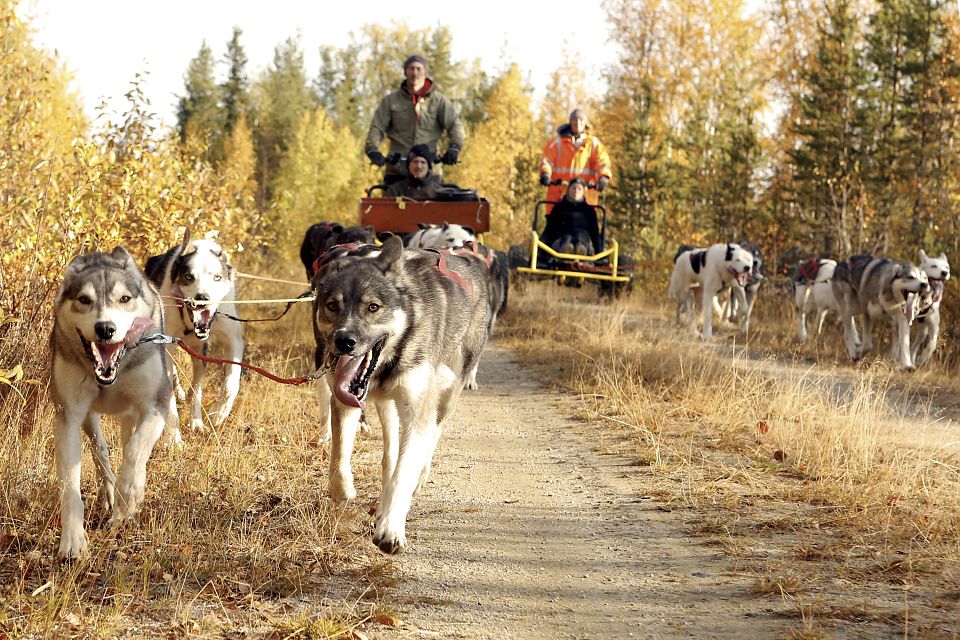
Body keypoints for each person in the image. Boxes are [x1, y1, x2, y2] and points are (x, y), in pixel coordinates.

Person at [365, 54, 466, 184]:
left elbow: (455, 125)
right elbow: (377, 127)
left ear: (426, 73)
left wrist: (454, 148)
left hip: (429, 170)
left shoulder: (439, 101)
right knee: (391, 204)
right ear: (405, 72)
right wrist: (372, 149)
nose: (415, 73)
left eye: (419, 69)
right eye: (411, 69)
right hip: (397, 170)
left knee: (432, 203)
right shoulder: (390, 101)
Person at [539, 108, 612, 210]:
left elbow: (602, 162)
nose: (577, 122)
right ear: (570, 122)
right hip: (559, 196)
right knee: (554, 222)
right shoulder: (557, 143)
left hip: (585, 197)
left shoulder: (593, 144)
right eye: (574, 119)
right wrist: (545, 174)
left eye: (581, 120)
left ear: (585, 123)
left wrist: (603, 177)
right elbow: (547, 161)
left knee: (587, 223)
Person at [540, 178, 602, 256]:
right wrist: (540, 248)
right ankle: (566, 250)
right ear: (568, 190)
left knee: (580, 238)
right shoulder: (559, 208)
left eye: (579, 189)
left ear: (583, 192)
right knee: (567, 238)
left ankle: (580, 251)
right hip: (561, 237)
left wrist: (600, 252)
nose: (576, 191)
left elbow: (595, 233)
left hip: (583, 238)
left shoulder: (589, 210)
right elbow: (550, 229)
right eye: (574, 188)